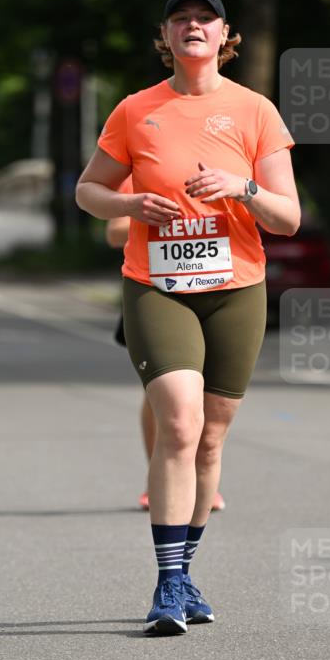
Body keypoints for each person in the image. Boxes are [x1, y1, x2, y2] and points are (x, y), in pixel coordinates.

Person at [76, 0, 299, 635]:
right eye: (180, 19)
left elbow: (287, 217)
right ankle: (168, 584)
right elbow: (89, 190)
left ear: (224, 35)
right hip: (157, 284)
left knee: (209, 438)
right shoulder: (134, 111)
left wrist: (244, 186)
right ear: (166, 36)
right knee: (177, 422)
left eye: (204, 18)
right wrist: (128, 206)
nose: (192, 27)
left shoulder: (253, 110)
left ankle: (187, 569)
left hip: (236, 288)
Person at [106, 182, 226, 512]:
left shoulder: (221, 164)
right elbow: (114, 231)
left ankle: (199, 475)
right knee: (162, 391)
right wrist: (159, 218)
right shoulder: (145, 162)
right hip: (156, 289)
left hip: (218, 289)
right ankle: (159, 474)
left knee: (210, 391)